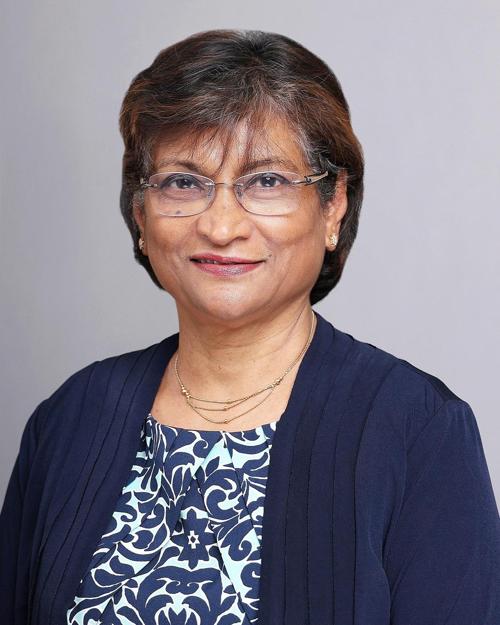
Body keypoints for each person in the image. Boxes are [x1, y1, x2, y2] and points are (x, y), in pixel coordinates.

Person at [1, 28, 499, 625]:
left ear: (333, 206)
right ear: (140, 213)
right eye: (183, 181)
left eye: (266, 181)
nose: (221, 226)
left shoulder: (419, 431)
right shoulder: (70, 419)